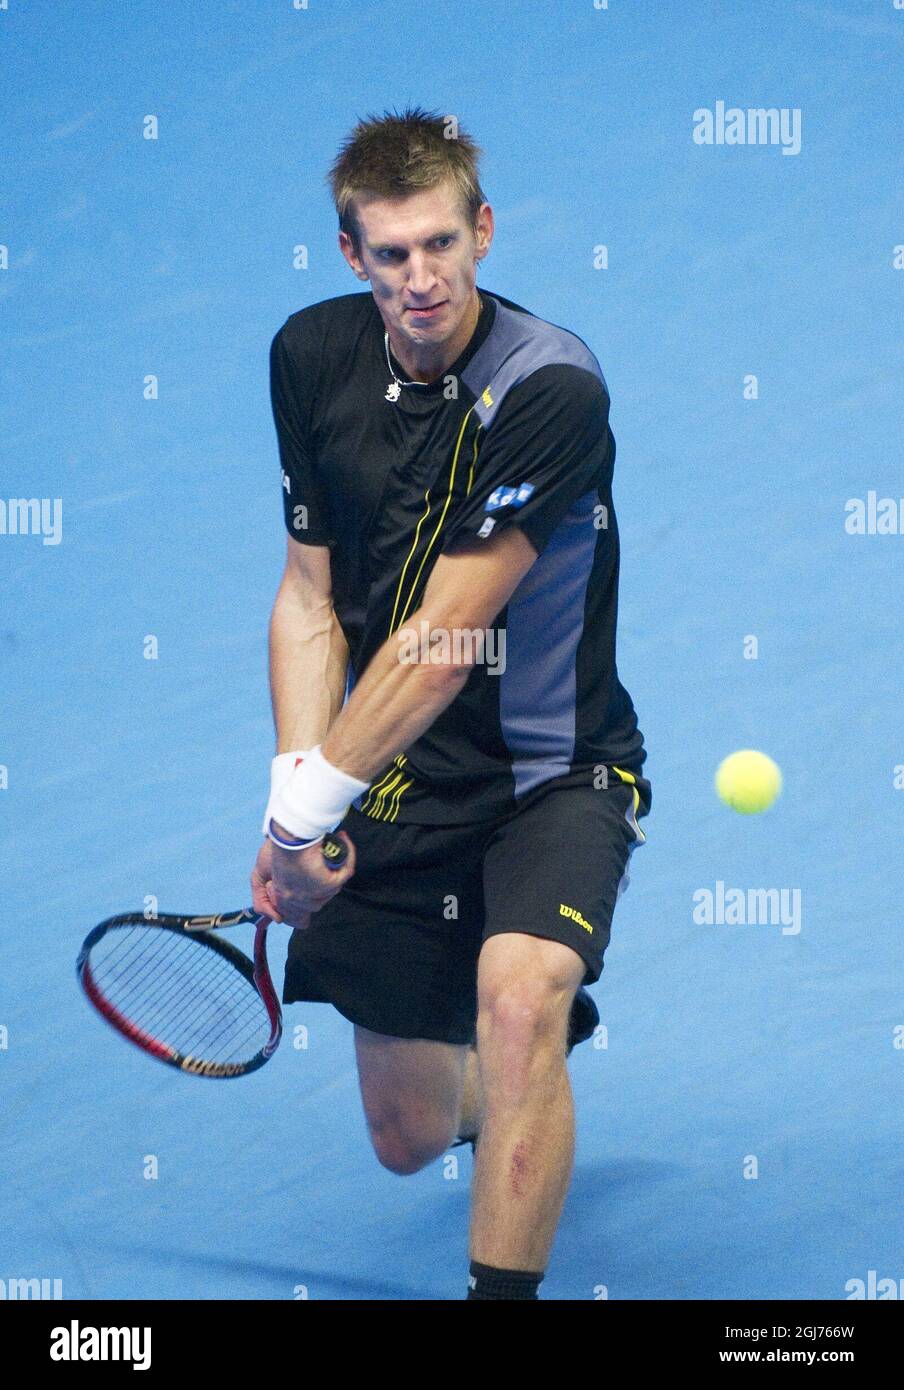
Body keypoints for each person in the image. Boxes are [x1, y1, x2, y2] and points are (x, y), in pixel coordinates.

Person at [251, 106, 651, 1301]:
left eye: (440, 244)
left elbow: (440, 637)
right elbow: (310, 598)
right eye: (390, 254)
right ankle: (511, 1085)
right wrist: (299, 799)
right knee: (409, 1137)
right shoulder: (309, 357)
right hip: (398, 780)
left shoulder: (551, 388)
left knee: (520, 994)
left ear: (482, 230)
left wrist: (293, 825)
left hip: (553, 771)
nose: (419, 279)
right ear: (349, 255)